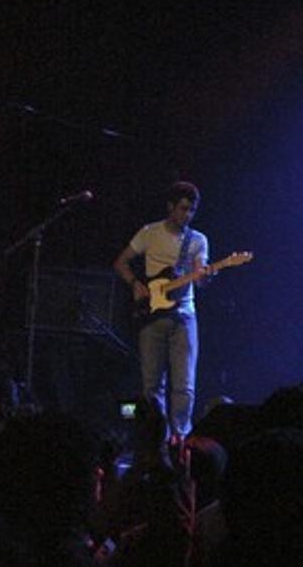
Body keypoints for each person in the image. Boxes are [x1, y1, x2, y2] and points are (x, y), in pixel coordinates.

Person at [113, 181, 212, 442]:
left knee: (184, 386)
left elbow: (200, 272)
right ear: (170, 207)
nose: (187, 215)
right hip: (152, 315)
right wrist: (135, 284)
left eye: (192, 210)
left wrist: (204, 276)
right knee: (152, 385)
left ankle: (180, 439)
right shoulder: (149, 233)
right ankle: (153, 440)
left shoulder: (198, 240)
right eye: (183, 209)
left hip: (184, 315)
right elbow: (121, 262)